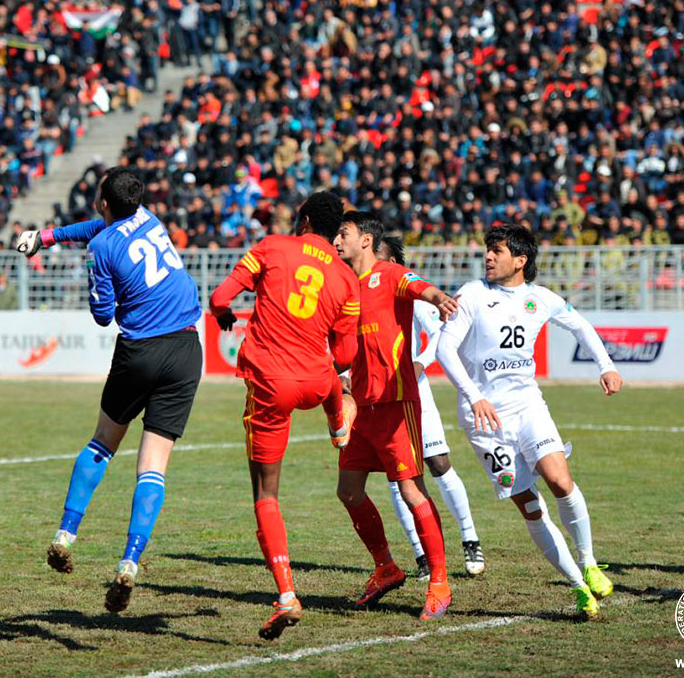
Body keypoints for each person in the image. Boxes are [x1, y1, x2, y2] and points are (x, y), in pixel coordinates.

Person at [15, 167, 203, 613]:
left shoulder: (101, 248)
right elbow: (100, 226)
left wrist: (105, 289)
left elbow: (102, 315)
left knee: (102, 443)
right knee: (153, 466)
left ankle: (66, 534)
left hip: (140, 351)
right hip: (186, 350)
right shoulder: (148, 217)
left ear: (103, 202)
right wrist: (48, 237)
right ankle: (130, 561)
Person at [435, 224, 622, 620]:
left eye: (497, 250)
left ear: (520, 260)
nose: (488, 256)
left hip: (527, 406)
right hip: (484, 419)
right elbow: (445, 348)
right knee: (531, 506)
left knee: (560, 481)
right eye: (488, 249)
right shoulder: (472, 294)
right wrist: (475, 396)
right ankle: (578, 586)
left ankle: (589, 561)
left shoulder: (540, 298)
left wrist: (605, 366)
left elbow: (580, 325)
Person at [207, 191, 361, 640]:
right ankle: (338, 421)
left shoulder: (273, 246)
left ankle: (287, 595)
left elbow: (220, 296)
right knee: (330, 375)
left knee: (266, 494)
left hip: (272, 383)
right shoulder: (346, 277)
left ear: (305, 220)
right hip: (317, 380)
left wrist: (222, 314)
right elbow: (346, 353)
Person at [332, 212, 458, 621]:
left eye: (343, 234)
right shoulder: (341, 284)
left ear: (366, 240)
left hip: (395, 402)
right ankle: (386, 567)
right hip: (361, 406)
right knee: (348, 491)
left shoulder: (390, 274)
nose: (336, 241)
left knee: (411, 490)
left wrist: (438, 299)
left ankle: (439, 581)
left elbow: (419, 286)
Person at [375, 236, 486, 579]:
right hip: (378, 395)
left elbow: (439, 332)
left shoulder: (409, 291)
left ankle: (469, 538)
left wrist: (421, 362)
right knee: (398, 476)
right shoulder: (357, 291)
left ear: (393, 261)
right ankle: (421, 554)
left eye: (378, 255)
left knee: (438, 463)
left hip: (415, 391)